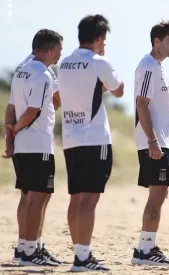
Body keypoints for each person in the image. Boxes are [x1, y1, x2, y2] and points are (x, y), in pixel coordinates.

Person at [58, 14, 124, 272]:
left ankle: (80, 253)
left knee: (76, 199)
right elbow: (118, 90)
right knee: (89, 201)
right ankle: (83, 259)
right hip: (95, 139)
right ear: (99, 39)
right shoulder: (99, 62)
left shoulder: (64, 63)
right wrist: (103, 57)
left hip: (71, 140)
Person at [4, 31, 61, 265]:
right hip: (38, 144)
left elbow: (11, 106)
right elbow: (31, 112)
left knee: (29, 195)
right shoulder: (43, 74)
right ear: (49, 49)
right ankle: (29, 251)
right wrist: (16, 128)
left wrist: (10, 137)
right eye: (59, 49)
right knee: (38, 197)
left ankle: (26, 247)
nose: (60, 54)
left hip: (23, 146)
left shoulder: (21, 70)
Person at [130, 20, 169, 266]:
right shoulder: (149, 66)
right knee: (156, 195)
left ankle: (146, 247)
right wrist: (152, 140)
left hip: (161, 141)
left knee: (160, 194)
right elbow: (141, 103)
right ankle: (145, 251)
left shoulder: (157, 67)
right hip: (154, 142)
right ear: (157, 42)